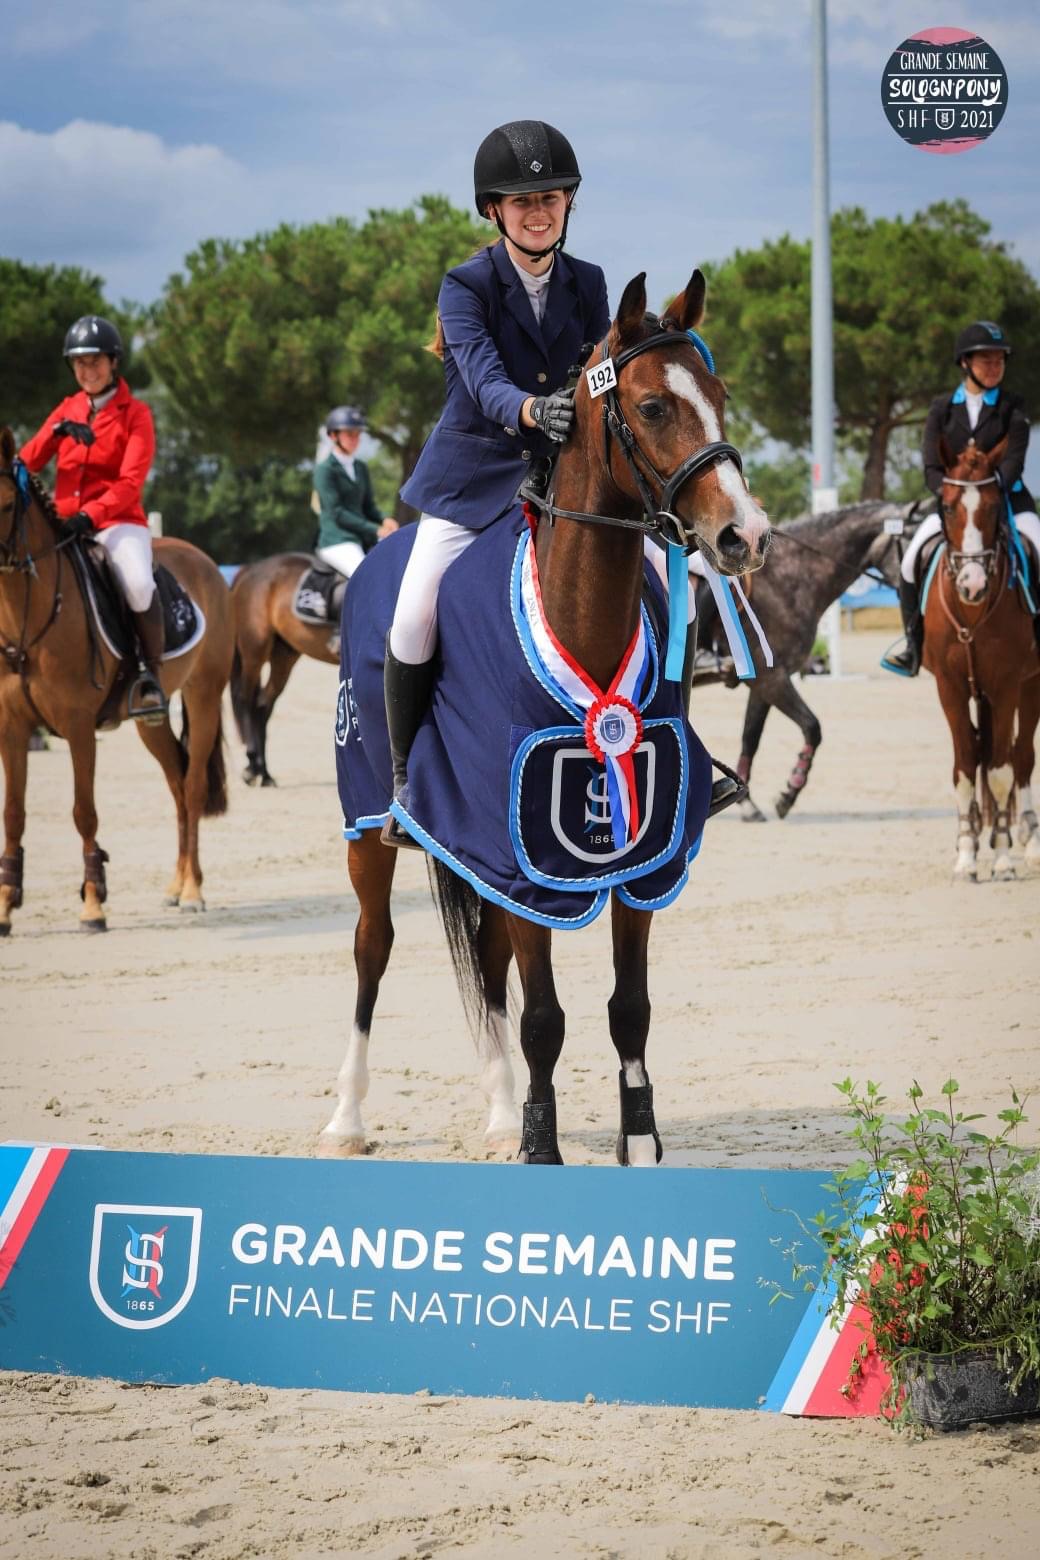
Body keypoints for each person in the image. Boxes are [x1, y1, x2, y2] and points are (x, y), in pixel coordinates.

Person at [381, 119, 610, 847]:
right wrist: (531, 408)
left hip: (561, 477)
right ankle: (406, 780)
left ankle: (680, 754)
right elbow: (480, 381)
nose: (536, 210)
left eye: (549, 197)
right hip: (475, 479)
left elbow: (600, 373)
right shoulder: (466, 286)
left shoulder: (590, 283)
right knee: (412, 616)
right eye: (521, 201)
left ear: (569, 204)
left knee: (662, 592)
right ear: (494, 211)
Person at [20, 315, 167, 722]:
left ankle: (148, 676)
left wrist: (91, 515)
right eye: (79, 363)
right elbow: (23, 465)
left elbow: (130, 481)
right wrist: (56, 432)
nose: (87, 371)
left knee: (138, 583)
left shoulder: (135, 414)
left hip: (118, 522)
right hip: (65, 526)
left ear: (114, 362)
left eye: (95, 362)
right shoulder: (66, 409)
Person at [884, 320, 1040, 675]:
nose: (994, 367)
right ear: (965, 363)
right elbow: (930, 466)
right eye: (986, 360)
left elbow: (1014, 461)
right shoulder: (942, 408)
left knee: (1039, 548)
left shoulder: (1013, 406)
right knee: (910, 561)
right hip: (955, 507)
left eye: (1000, 361)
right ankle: (913, 644)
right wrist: (953, 496)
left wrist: (986, 490)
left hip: (1009, 502)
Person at [314, 406, 397, 578]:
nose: (355, 439)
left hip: (363, 537)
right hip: (338, 540)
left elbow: (369, 506)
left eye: (358, 434)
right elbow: (336, 513)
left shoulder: (361, 467)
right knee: (366, 577)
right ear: (333, 435)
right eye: (349, 434)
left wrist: (384, 519)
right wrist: (376, 529)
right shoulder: (325, 470)